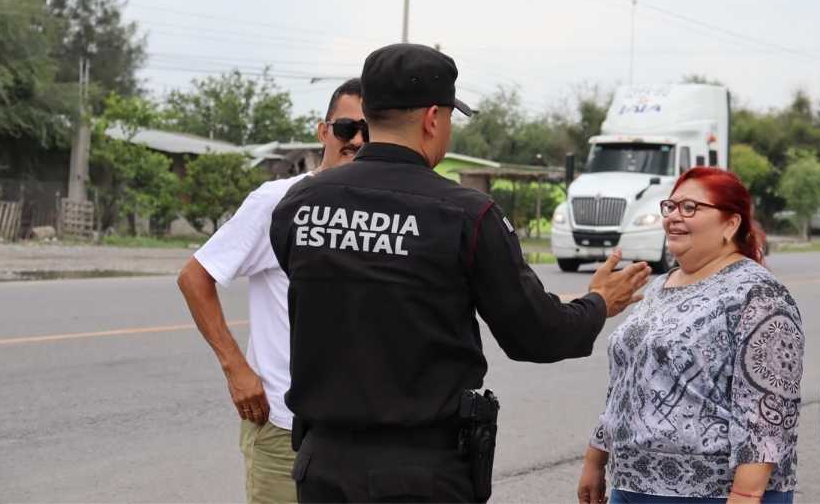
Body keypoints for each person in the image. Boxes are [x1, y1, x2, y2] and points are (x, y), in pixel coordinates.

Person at [269, 43, 652, 503]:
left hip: (322, 467)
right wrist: (597, 303)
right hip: (419, 476)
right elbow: (535, 335)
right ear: (433, 117)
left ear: (368, 113)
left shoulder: (299, 205)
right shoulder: (465, 215)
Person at [177, 78, 366, 504]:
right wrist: (236, 369)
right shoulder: (279, 200)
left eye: (370, 131)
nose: (357, 140)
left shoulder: (382, 211)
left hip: (359, 434)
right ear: (323, 132)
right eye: (346, 128)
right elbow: (195, 277)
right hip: (287, 430)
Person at [578, 167, 804, 504]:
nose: (673, 218)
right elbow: (626, 386)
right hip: (632, 485)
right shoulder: (660, 286)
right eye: (671, 206)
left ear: (731, 223)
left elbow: (768, 411)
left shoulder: (760, 294)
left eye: (690, 208)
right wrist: (595, 459)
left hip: (713, 493)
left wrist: (745, 493)